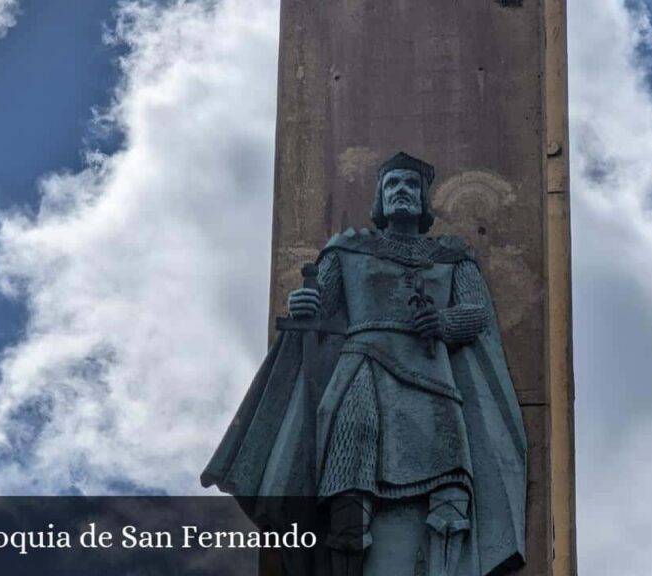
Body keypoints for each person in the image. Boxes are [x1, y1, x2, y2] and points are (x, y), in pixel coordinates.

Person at [202, 152, 526, 576]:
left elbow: (476, 313)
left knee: (449, 495)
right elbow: (323, 312)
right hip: (362, 371)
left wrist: (444, 320)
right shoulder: (348, 250)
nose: (402, 192)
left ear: (424, 200)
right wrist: (304, 303)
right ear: (380, 198)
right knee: (349, 494)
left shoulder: (451, 257)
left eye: (411, 185)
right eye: (393, 186)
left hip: (431, 374)